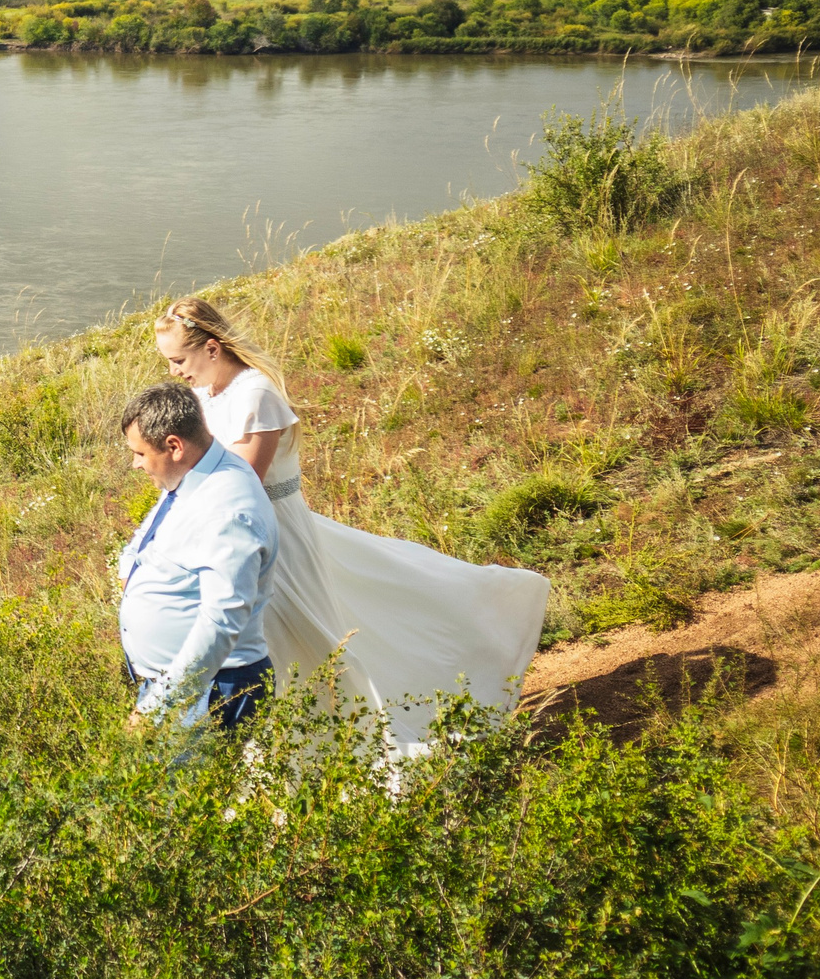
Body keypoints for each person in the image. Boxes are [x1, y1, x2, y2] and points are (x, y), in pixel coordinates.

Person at [153, 296, 549, 755]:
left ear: (213, 348)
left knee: (301, 639)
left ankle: (350, 744)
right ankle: (291, 752)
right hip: (230, 534)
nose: (175, 371)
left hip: (272, 531)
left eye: (178, 359)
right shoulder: (203, 396)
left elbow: (244, 483)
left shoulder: (255, 394)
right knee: (273, 639)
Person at [117, 380, 279, 736]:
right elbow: (150, 534)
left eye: (140, 453)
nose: (134, 464)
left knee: (181, 794)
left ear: (174, 446)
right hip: (182, 688)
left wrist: (159, 706)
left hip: (209, 694)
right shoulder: (192, 477)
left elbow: (221, 619)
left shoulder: (227, 510)